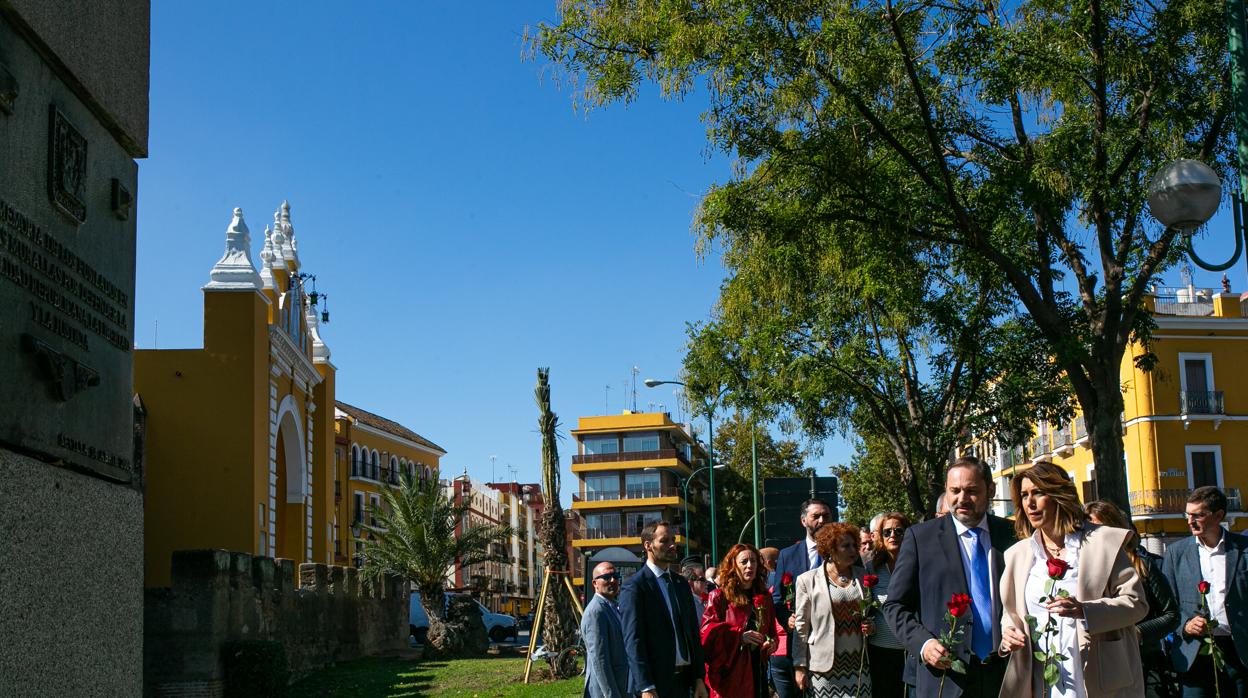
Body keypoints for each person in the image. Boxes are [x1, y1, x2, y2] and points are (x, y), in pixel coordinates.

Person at [998, 461, 1148, 697]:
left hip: (1097, 676)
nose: (1030, 503)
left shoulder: (1102, 543)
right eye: (1024, 495)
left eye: (1038, 492)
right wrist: (1009, 633)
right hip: (1042, 680)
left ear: (1060, 495)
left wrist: (1085, 611)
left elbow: (1137, 604)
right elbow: (1011, 613)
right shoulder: (1018, 555)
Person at [883, 456, 1017, 698]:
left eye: (971, 490)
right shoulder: (920, 538)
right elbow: (895, 605)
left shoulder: (1012, 535)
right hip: (946, 677)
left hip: (1005, 673)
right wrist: (923, 644)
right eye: (954, 491)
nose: (962, 499)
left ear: (991, 489)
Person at [1086, 499, 1179, 697]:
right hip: (1106, 661)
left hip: (1147, 660)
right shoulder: (1084, 568)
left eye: (1097, 527)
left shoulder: (1144, 565)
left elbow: (1171, 614)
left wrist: (1139, 632)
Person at [1163, 486, 1248, 698]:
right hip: (1194, 653)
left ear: (1218, 515)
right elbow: (1167, 603)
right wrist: (1185, 625)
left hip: (1239, 650)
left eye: (1198, 515)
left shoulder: (1244, 549)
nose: (1190, 521)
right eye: (1187, 515)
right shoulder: (1176, 553)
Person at [620, 521, 708, 698]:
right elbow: (633, 640)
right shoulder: (635, 587)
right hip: (655, 685)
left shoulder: (681, 584)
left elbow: (692, 632)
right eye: (664, 540)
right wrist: (645, 686)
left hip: (685, 683)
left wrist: (699, 677)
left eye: (673, 540)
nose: (672, 545)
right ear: (648, 546)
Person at [792, 521, 875, 697]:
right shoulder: (807, 580)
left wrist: (871, 625)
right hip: (823, 671)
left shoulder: (864, 576)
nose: (853, 550)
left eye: (855, 545)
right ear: (830, 549)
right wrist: (799, 666)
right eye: (846, 546)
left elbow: (870, 614)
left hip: (858, 666)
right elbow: (801, 626)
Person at [771, 498, 834, 698]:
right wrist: (786, 619)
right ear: (803, 520)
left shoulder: (842, 552)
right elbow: (777, 598)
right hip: (799, 644)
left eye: (826, 516)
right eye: (816, 516)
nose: (822, 520)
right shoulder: (787, 556)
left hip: (833, 642)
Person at [701, 544, 778, 698]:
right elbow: (706, 635)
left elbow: (771, 632)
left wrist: (772, 643)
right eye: (744, 562)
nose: (750, 566)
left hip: (758, 672)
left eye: (754, 561)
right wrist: (739, 637)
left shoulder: (764, 597)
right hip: (730, 677)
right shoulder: (718, 596)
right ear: (733, 565)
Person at [865, 512, 911, 698]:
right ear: (880, 537)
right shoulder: (871, 568)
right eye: (887, 532)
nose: (893, 536)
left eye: (899, 531)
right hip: (880, 651)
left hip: (911, 650)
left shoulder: (917, 564)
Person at [582, 561, 629, 698]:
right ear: (595, 583)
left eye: (615, 576)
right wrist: (611, 694)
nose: (613, 580)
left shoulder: (613, 606)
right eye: (607, 577)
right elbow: (599, 659)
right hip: (605, 691)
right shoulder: (595, 612)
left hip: (622, 686)